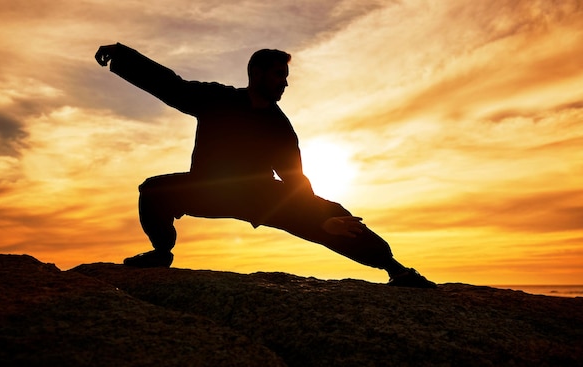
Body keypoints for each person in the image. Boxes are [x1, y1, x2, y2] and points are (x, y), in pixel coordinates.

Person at [95, 42, 436, 288]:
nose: (284, 83)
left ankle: (397, 269)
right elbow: (171, 85)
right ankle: (160, 252)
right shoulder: (217, 99)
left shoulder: (279, 127)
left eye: (286, 77)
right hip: (208, 189)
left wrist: (322, 220)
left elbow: (296, 182)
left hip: (259, 196)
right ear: (255, 73)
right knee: (153, 191)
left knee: (334, 215)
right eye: (278, 75)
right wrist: (123, 56)